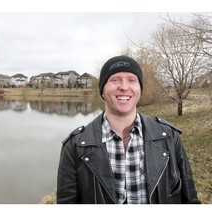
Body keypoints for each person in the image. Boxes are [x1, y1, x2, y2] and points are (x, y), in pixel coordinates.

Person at [56, 55, 201, 204]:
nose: (124, 87)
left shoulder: (169, 137)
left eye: (132, 80)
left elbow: (190, 200)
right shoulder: (75, 145)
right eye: (115, 80)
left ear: (140, 89)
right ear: (102, 91)